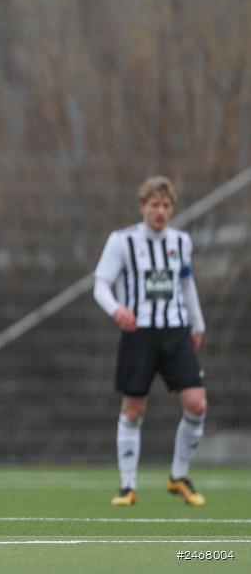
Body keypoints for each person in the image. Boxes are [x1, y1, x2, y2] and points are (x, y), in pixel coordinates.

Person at [94, 176, 207, 507]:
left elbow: (186, 285)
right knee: (133, 409)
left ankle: (178, 476)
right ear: (142, 206)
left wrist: (197, 323)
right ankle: (127, 486)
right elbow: (100, 283)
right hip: (139, 334)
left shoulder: (181, 241)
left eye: (167, 205)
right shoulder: (122, 241)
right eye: (155, 205)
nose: (161, 211)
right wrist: (117, 310)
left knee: (197, 404)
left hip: (175, 332)